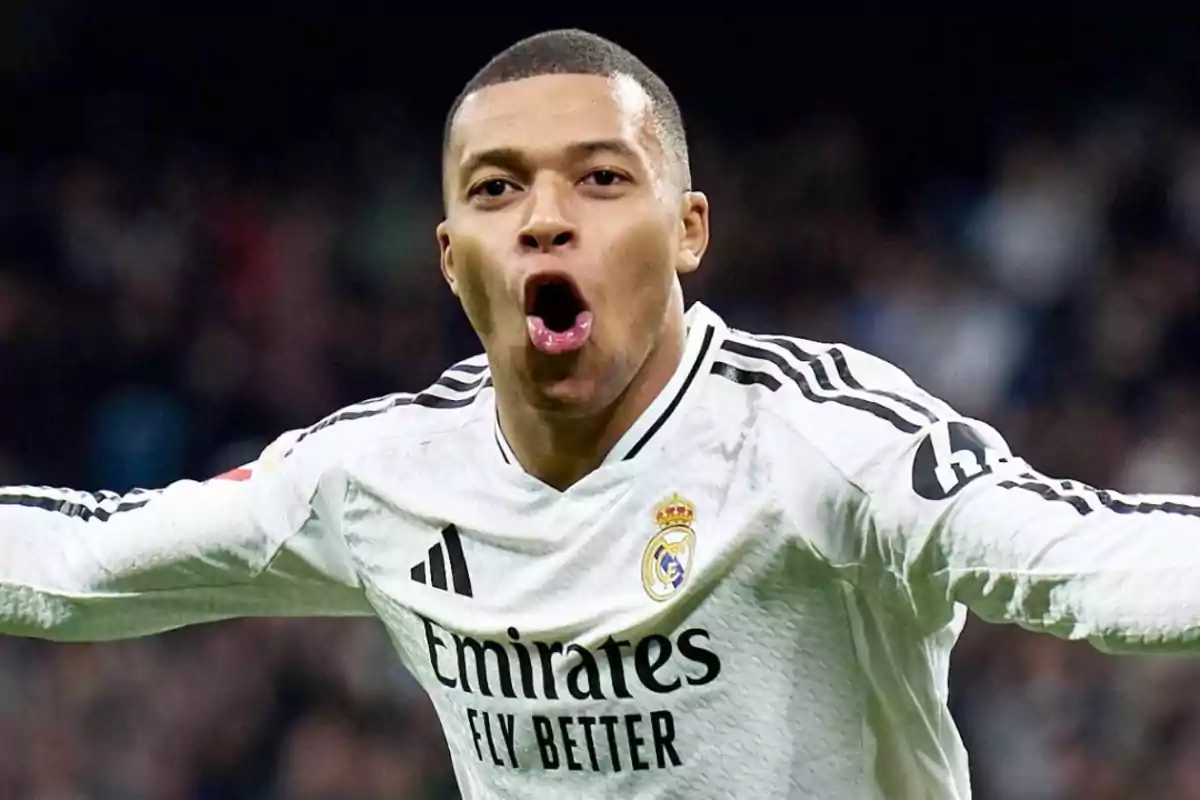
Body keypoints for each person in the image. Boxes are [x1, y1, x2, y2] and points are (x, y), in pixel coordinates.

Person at [2, 27, 1200, 800]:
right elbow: (74, 565)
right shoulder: (375, 475)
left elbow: (1086, 564)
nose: (543, 217)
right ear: (449, 255)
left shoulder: (822, 445)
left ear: (689, 230)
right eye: (496, 188)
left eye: (602, 176)